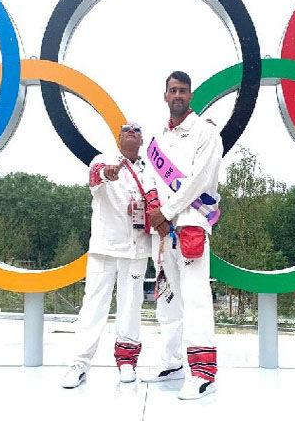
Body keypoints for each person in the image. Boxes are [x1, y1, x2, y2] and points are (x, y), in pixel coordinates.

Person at [142, 71, 223, 400]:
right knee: (168, 298)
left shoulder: (205, 132)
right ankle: (172, 362)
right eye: (172, 90)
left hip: (190, 223)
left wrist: (167, 211)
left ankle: (203, 373)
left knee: (195, 297)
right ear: (165, 96)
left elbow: (199, 180)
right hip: (161, 230)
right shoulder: (157, 137)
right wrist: (155, 211)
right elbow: (149, 175)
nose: (178, 95)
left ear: (190, 96)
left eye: (183, 91)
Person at [61, 122, 156, 388]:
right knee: (93, 306)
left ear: (142, 139)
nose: (131, 133)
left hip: (137, 248)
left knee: (131, 307)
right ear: (118, 137)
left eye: (137, 131)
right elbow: (96, 176)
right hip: (105, 248)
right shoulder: (103, 160)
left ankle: (127, 361)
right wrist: (108, 173)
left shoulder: (148, 170)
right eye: (126, 130)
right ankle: (78, 364)